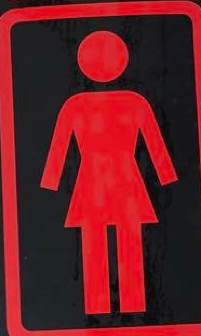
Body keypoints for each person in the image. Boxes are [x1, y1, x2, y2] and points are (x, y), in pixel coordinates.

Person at [41, 30, 177, 315]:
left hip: (98, 182)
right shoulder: (133, 102)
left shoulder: (76, 105)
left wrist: (50, 185)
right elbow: (157, 150)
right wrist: (167, 178)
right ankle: (123, 306)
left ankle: (107, 308)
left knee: (106, 247)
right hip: (120, 181)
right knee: (121, 245)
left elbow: (57, 154)